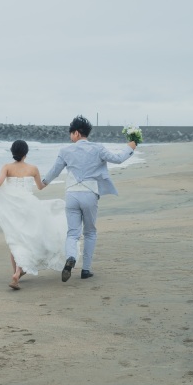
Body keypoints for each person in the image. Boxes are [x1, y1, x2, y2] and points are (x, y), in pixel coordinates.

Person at [40, 115, 137, 282]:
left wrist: (43, 183)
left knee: (72, 233)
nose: (70, 137)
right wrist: (131, 146)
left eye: (71, 133)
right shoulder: (97, 148)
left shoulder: (65, 151)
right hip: (89, 194)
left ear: (76, 133)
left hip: (71, 194)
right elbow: (118, 159)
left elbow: (54, 171)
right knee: (90, 232)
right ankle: (86, 270)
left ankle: (71, 257)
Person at [0, 140, 70, 290]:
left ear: (12, 152)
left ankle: (16, 273)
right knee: (29, 238)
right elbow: (40, 186)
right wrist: (51, 177)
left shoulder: (7, 167)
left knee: (15, 239)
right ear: (26, 153)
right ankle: (17, 273)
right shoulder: (33, 168)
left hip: (13, 209)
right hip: (30, 207)